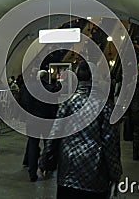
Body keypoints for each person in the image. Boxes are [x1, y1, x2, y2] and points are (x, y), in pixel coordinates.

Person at [40, 61, 122, 198]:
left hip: (68, 171)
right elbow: (110, 143)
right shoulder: (105, 106)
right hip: (95, 174)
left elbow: (55, 135)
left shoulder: (67, 103)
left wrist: (45, 162)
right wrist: (115, 173)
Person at [20, 70, 58, 182]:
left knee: (33, 144)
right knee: (48, 144)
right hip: (46, 121)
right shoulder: (50, 89)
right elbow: (53, 107)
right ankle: (47, 166)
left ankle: (32, 172)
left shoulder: (29, 88)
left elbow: (24, 103)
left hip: (32, 120)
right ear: (46, 78)